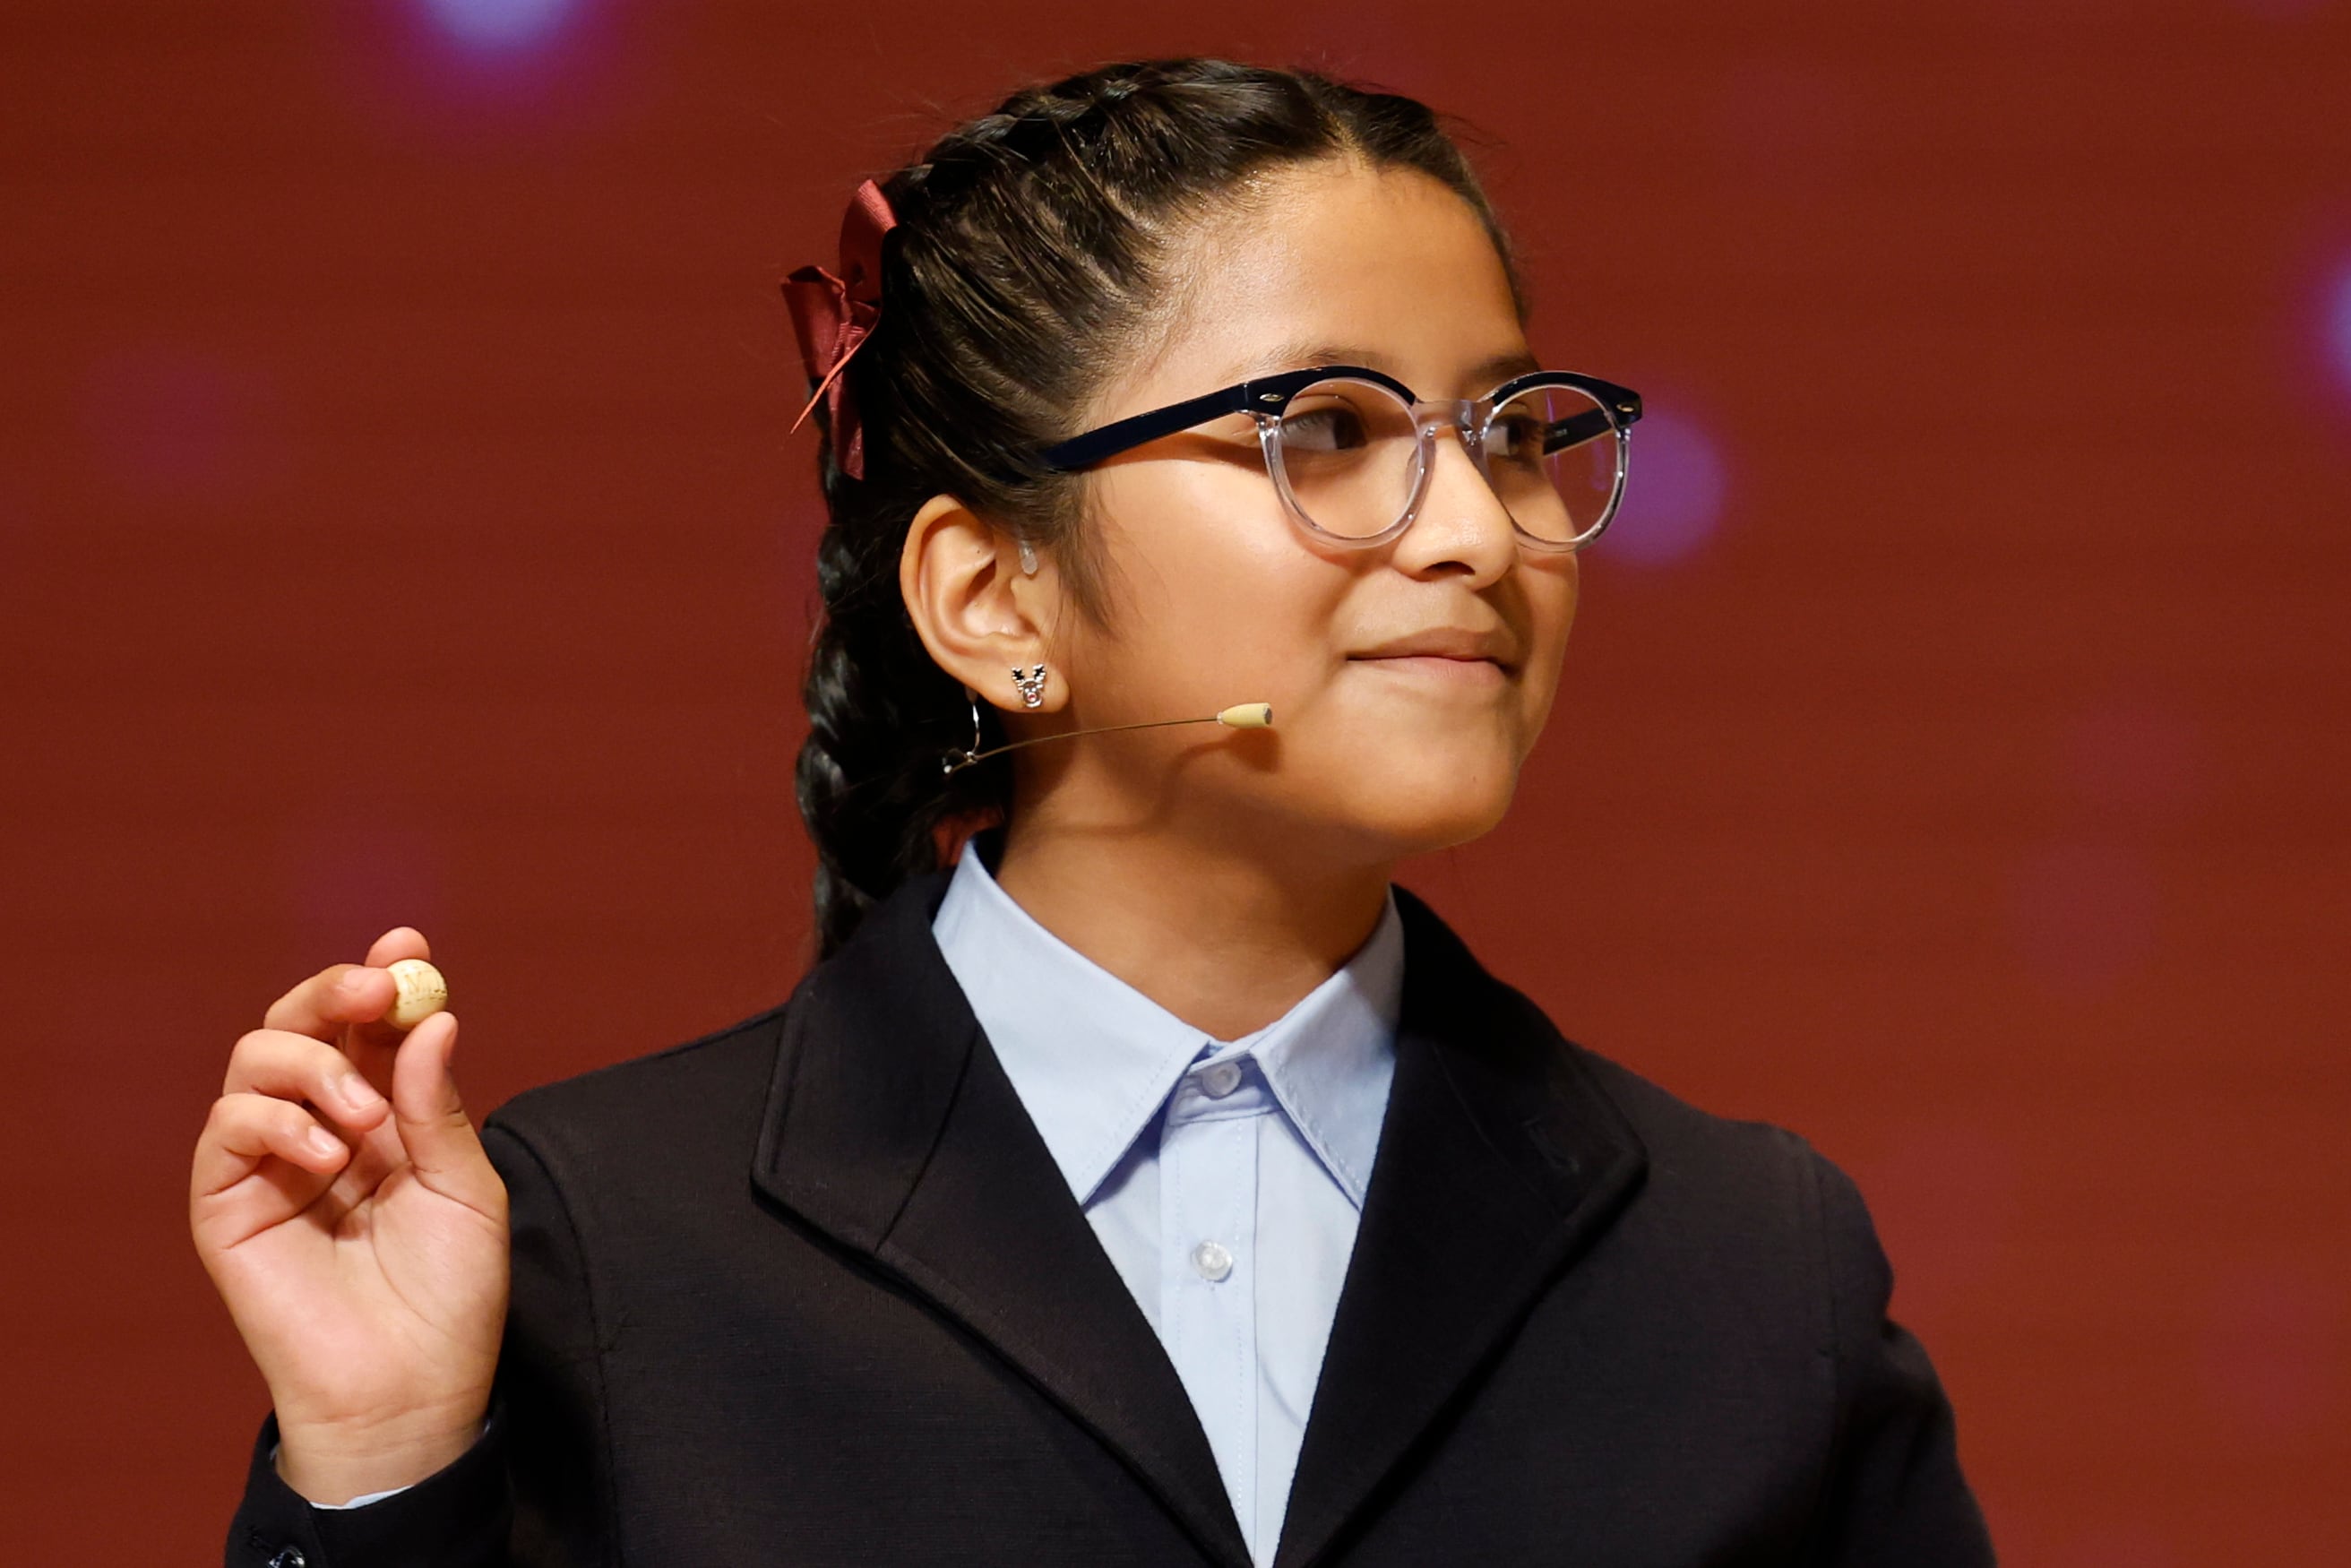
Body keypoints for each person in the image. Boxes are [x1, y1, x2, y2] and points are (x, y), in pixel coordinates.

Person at [191, 56, 1995, 1568]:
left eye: (1512, 428)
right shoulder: (598, 1245)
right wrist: (378, 1468)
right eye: (1329, 427)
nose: (1475, 530)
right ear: (993, 597)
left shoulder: (1751, 1266)